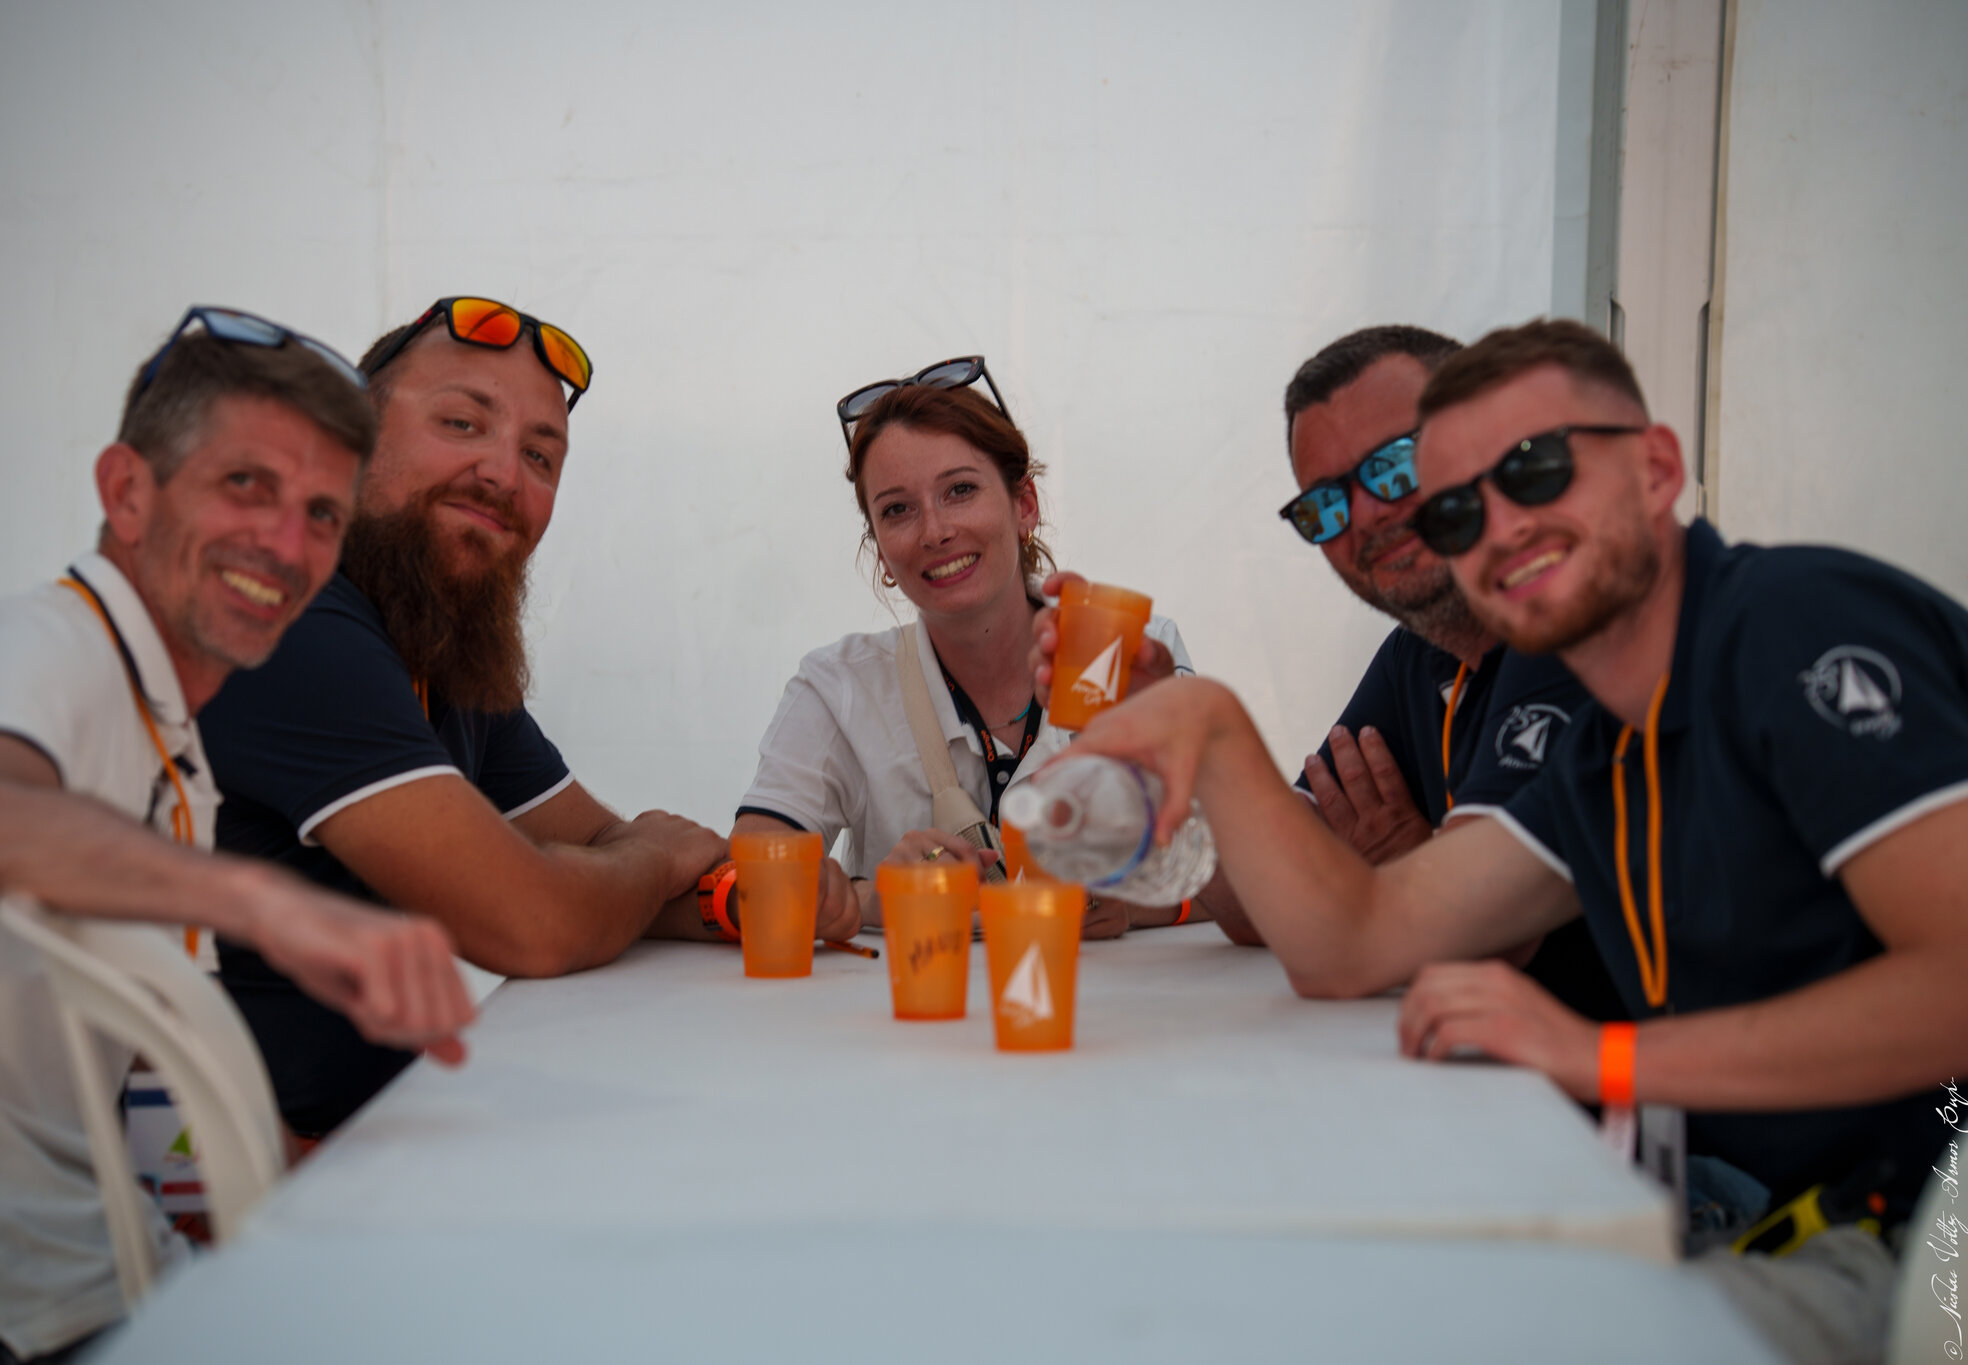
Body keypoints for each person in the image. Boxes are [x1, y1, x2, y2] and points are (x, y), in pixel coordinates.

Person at [1061, 319, 1965, 1363]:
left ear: (1655, 468)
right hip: (1753, 1216)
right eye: (1453, 508)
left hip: (1917, 1246)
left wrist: (1600, 1055)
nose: (1495, 525)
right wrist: (1209, 728)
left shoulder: (1792, 621)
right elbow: (1351, 940)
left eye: (1533, 470)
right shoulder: (1603, 747)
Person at [0, 308, 477, 1365]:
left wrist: (292, 1184)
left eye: (323, 513)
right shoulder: (35, 647)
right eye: (246, 485)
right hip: (11, 1324)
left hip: (122, 1275)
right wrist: (264, 904)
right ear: (126, 491)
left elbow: (133, 1058)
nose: (287, 546)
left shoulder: (165, 721)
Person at [198, 297, 808, 1138]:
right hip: (235, 1176)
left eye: (540, 455)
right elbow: (533, 920)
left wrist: (752, 896)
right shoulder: (292, 623)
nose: (503, 474)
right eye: (461, 422)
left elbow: (598, 849)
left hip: (388, 1131)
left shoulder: (438, 648)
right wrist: (653, 856)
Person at [735, 358, 1199, 937]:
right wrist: (877, 897)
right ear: (880, 553)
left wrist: (1135, 904)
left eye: (960, 490)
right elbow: (748, 875)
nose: (935, 532)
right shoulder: (838, 687)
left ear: (1024, 505)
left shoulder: (1132, 653)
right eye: (897, 510)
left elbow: (1241, 873)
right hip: (919, 996)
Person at [1257, 324, 1622, 1021]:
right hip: (1546, 1073)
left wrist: (1211, 735)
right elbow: (1265, 906)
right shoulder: (1421, 651)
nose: (1367, 515)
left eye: (1398, 466)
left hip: (1651, 1083)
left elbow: (1475, 934)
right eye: (1326, 505)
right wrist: (1175, 753)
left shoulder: (1570, 618)